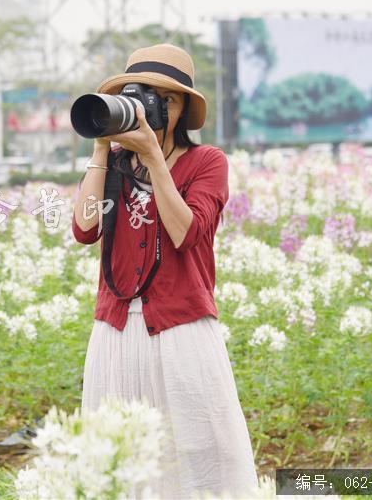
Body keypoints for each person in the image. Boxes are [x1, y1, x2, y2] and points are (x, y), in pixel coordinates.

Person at [72, 43, 259, 499]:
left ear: (181, 110)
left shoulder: (207, 162)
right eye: (137, 94)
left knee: (198, 450)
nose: (148, 107)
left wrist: (155, 159)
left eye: (163, 98)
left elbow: (187, 233)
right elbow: (84, 226)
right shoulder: (115, 164)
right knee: (118, 456)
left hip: (181, 329)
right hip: (114, 329)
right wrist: (101, 148)